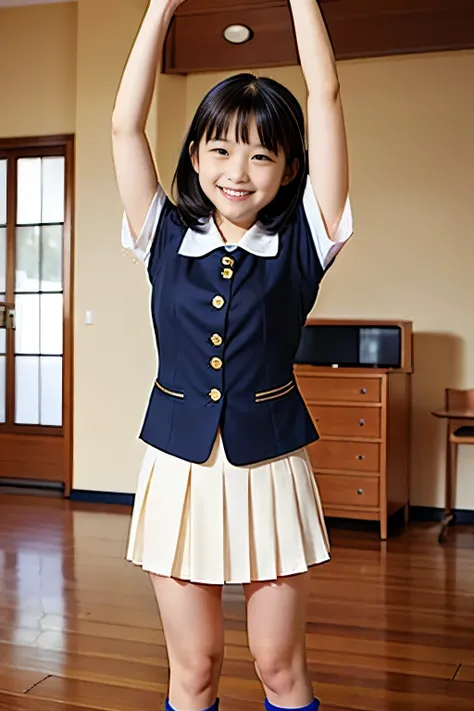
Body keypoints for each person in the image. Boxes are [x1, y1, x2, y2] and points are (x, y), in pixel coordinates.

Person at [112, 1, 353, 710]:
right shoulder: (160, 234)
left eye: (261, 153)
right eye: (220, 149)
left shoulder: (310, 238)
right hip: (177, 472)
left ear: (289, 169)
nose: (238, 170)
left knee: (278, 665)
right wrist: (161, 7)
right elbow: (125, 126)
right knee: (196, 669)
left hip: (270, 469)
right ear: (194, 156)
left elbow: (327, 94)